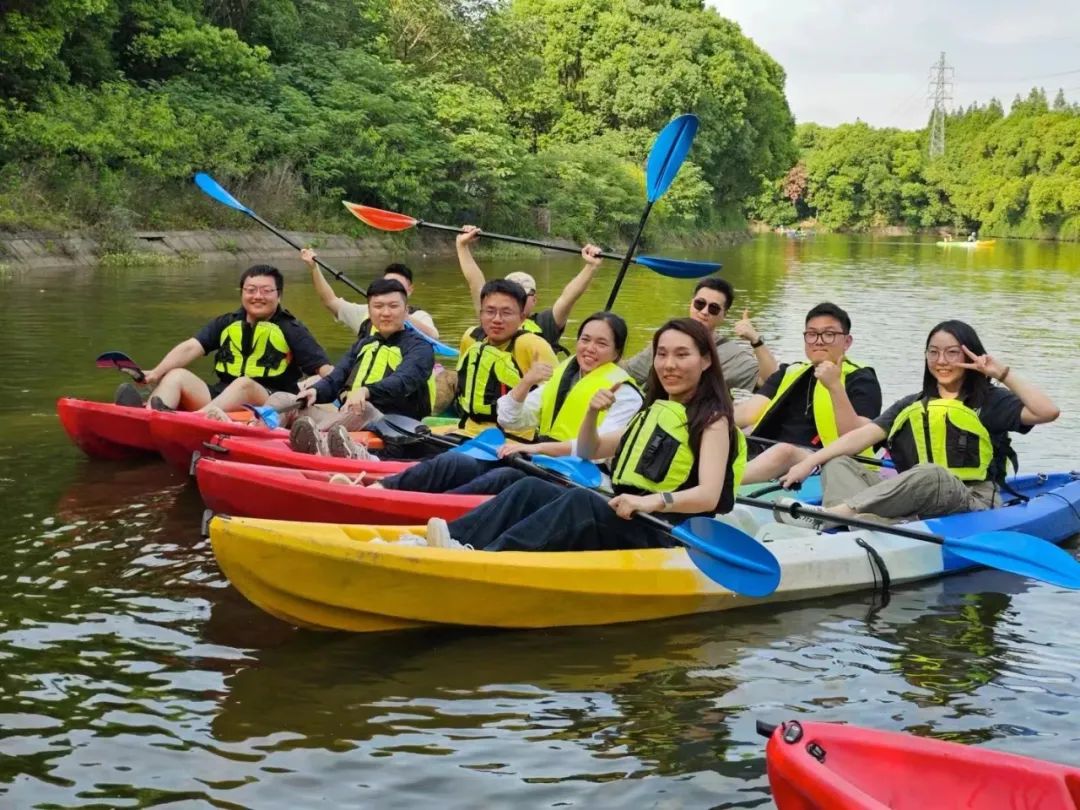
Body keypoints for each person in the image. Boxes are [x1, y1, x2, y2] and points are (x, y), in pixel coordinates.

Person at [407, 317, 747, 552]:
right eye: (662, 354)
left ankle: (488, 556)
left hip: (663, 530)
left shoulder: (713, 419)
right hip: (630, 514)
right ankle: (451, 538)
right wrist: (592, 413)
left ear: (705, 361)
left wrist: (649, 501)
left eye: (682, 354)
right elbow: (589, 449)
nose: (669, 364)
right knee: (529, 487)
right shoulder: (656, 410)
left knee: (581, 499)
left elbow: (708, 495)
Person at [776, 320, 1059, 527]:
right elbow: (860, 437)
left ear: (969, 355)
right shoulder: (914, 403)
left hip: (973, 500)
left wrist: (1003, 373)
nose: (941, 361)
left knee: (931, 473)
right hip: (914, 500)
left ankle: (838, 517)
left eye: (951, 353)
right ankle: (854, 524)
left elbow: (1048, 412)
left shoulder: (991, 400)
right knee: (838, 461)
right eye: (933, 352)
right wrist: (808, 463)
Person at [371, 312, 643, 496]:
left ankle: (428, 513)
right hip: (539, 458)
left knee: (496, 480)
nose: (589, 349)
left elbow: (595, 451)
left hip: (581, 475)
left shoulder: (624, 392)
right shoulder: (566, 373)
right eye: (585, 340)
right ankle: (380, 488)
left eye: (601, 343)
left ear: (617, 352)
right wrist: (525, 383)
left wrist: (535, 447)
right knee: (456, 462)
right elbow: (511, 419)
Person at [114, 264, 331, 414]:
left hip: (270, 401)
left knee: (244, 384)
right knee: (177, 375)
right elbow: (191, 347)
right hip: (223, 395)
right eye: (251, 290)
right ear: (242, 293)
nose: (257, 296)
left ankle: (194, 420)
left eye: (266, 291)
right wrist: (154, 374)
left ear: (279, 295)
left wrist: (345, 391)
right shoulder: (227, 322)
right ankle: (150, 416)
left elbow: (325, 370)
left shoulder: (292, 329)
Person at [282, 277, 435, 458]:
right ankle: (264, 436)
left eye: (393, 306)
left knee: (363, 409)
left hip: (391, 429)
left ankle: (312, 442)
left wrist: (366, 391)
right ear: (369, 311)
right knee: (286, 399)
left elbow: (403, 380)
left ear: (406, 311)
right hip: (346, 419)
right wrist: (316, 391)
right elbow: (336, 377)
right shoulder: (364, 344)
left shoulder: (420, 348)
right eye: (378, 307)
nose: (385, 313)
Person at [734, 302, 882, 484]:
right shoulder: (790, 372)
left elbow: (856, 438)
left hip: (829, 461)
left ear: (847, 342)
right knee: (724, 433)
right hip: (768, 451)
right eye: (812, 334)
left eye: (829, 334)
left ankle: (718, 488)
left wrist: (835, 386)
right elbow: (748, 412)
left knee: (784, 451)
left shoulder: (861, 379)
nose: (819, 340)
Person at [457, 226, 603, 354]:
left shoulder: (545, 324)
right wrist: (462, 245)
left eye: (523, 296)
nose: (497, 318)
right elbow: (475, 283)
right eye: (511, 296)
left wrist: (590, 267)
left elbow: (568, 298)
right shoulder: (493, 316)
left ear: (534, 299)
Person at [623, 277, 778, 393]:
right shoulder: (666, 340)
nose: (704, 312)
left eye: (714, 308)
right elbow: (627, 373)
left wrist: (756, 340)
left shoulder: (730, 354)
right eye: (699, 303)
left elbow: (770, 382)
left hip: (697, 423)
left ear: (724, 315)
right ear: (691, 304)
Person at [454, 279, 558, 437]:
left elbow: (558, 394)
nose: (496, 319)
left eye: (506, 313)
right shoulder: (471, 337)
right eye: (490, 311)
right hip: (467, 429)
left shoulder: (531, 345)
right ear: (481, 314)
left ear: (522, 317)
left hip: (512, 438)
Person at [302, 247, 439, 339]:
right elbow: (330, 301)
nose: (390, 289)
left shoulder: (419, 316)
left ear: (409, 290)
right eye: (387, 284)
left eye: (397, 287)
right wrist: (314, 268)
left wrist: (403, 317)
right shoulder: (366, 313)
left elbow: (433, 337)